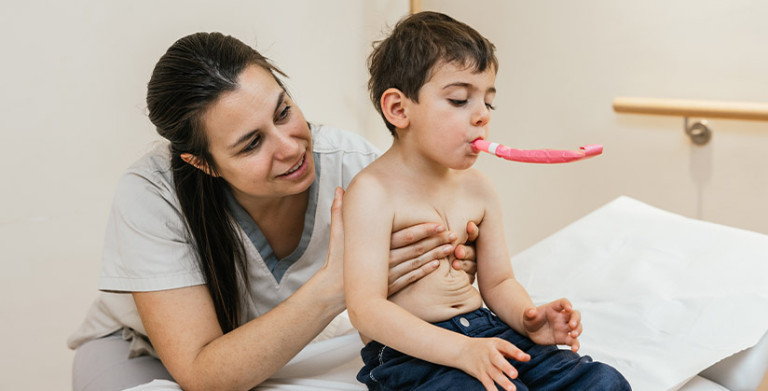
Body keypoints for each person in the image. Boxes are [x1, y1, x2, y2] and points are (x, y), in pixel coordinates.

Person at [67, 31, 481, 391]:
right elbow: (200, 374)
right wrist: (339, 283)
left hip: (302, 349)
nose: (289, 147)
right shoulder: (153, 196)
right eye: (251, 144)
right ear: (203, 164)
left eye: (284, 112)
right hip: (142, 352)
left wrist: (457, 259)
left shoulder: (355, 167)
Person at [343, 11, 631, 391]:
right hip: (411, 352)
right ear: (399, 109)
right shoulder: (371, 192)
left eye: (488, 103)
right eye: (460, 99)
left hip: (486, 329)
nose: (481, 116)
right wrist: (460, 351)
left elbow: (498, 281)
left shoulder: (478, 188)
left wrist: (529, 319)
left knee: (602, 382)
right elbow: (366, 310)